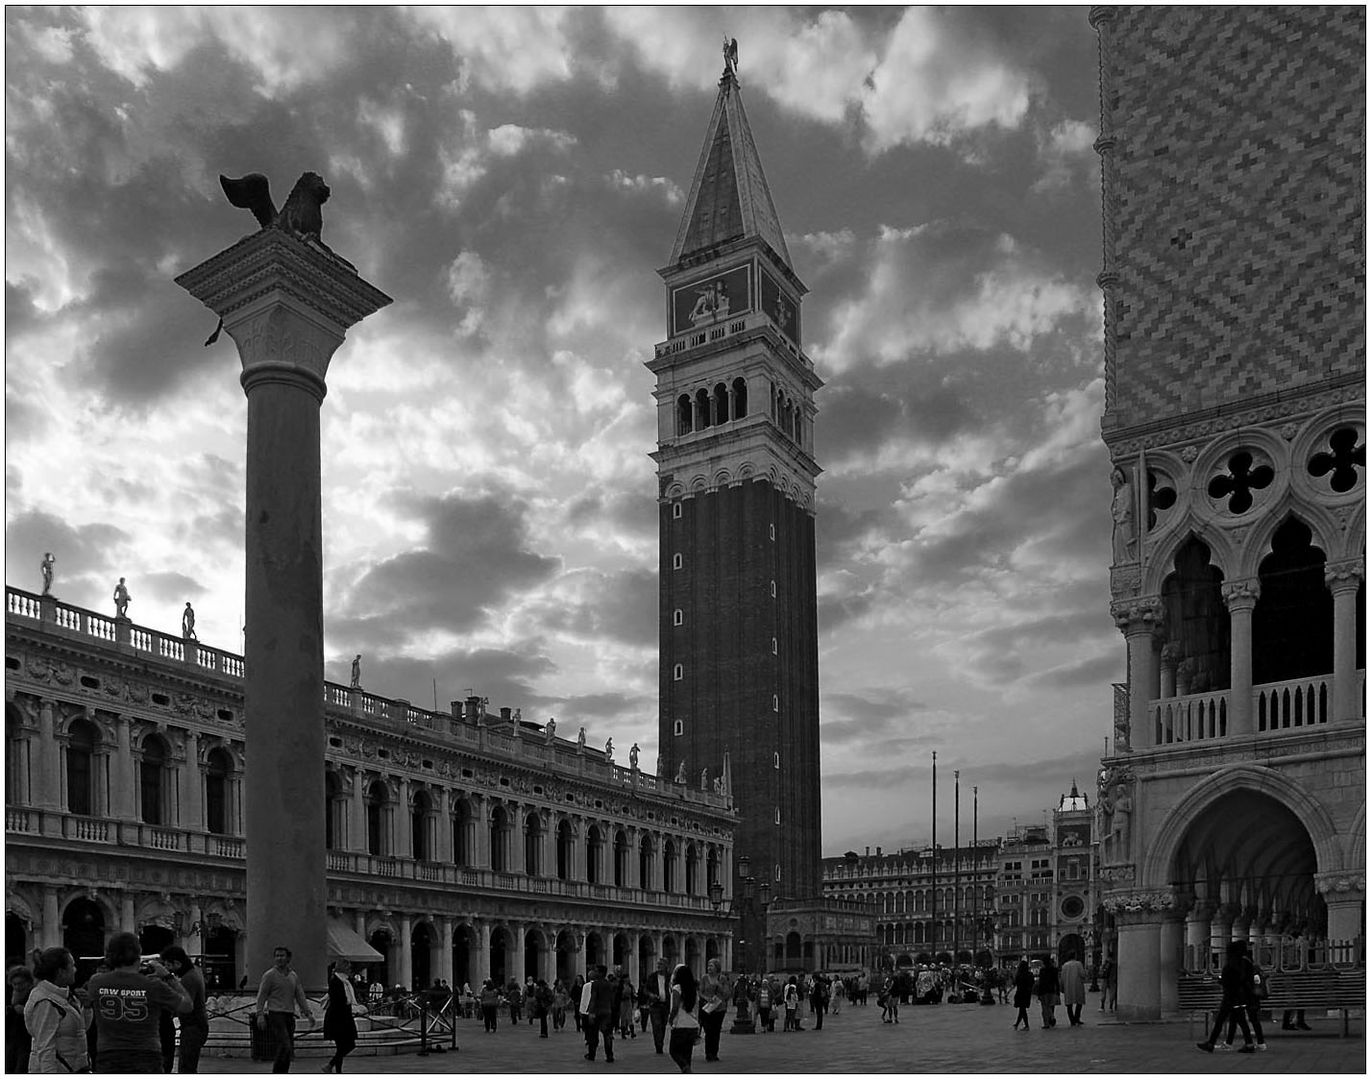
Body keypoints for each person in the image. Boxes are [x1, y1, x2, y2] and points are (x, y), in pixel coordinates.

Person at [88, 931, 191, 1072]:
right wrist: (168, 977)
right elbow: (187, 1005)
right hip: (146, 1055)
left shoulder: (96, 982)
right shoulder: (153, 985)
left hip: (109, 1054)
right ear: (138, 954)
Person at [23, 949, 87, 1074]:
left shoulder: (64, 996)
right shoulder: (45, 1002)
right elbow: (45, 1048)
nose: (75, 970)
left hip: (71, 1069)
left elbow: (78, 1031)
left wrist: (88, 1008)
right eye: (72, 965)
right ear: (61, 972)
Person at [254, 945, 312, 1073]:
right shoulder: (269, 975)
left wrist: (308, 1012)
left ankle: (283, 1072)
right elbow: (262, 995)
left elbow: (299, 994)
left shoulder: (293, 976)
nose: (279, 958)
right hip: (276, 1014)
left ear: (288, 958)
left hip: (289, 1015)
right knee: (285, 1045)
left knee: (287, 1046)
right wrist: (260, 1014)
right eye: (277, 956)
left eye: (282, 955)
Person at [1196, 940, 1256, 1053]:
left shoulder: (1231, 964)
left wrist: (1220, 980)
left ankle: (1211, 1043)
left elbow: (1227, 981)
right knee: (1241, 1021)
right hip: (1241, 996)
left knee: (1220, 1020)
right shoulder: (1246, 962)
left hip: (1230, 997)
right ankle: (1249, 1044)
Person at [161, 946, 208, 1072]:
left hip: (192, 1026)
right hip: (197, 1025)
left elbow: (185, 1004)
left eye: (168, 965)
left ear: (177, 963)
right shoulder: (195, 971)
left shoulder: (188, 978)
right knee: (188, 1065)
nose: (167, 969)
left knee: (186, 1067)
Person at [1222, 942, 1267, 1051]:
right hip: (1250, 995)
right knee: (1248, 1019)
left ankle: (1243, 1043)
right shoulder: (1250, 963)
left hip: (1245, 995)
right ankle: (1259, 1042)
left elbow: (1242, 979)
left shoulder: (1241, 963)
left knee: (1239, 1019)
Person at [321, 958, 359, 1073]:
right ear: (343, 967)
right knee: (346, 1045)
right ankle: (331, 1066)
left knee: (344, 1046)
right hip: (338, 1017)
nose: (349, 969)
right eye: (348, 967)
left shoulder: (346, 981)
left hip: (344, 1016)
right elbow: (338, 1000)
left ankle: (337, 1070)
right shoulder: (336, 981)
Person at [666, 963, 699, 1074]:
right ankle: (686, 1069)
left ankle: (685, 1068)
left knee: (673, 1051)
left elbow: (675, 1007)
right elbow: (696, 1008)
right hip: (692, 1025)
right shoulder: (693, 989)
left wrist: (670, 1018)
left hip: (680, 1025)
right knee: (687, 1053)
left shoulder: (677, 988)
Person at [697, 958, 728, 1061]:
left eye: (711, 966)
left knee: (716, 1031)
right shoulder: (704, 978)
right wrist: (706, 998)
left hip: (719, 1008)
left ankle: (714, 1053)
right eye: (708, 965)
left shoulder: (722, 978)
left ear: (717, 967)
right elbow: (700, 992)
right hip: (707, 1008)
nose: (709, 967)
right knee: (708, 1031)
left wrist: (719, 985)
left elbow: (727, 993)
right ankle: (708, 1053)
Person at [7, 964, 36, 1073]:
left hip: (26, 1041)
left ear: (28, 983)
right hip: (12, 1039)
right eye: (15, 984)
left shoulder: (33, 996)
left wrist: (24, 1011)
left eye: (21, 984)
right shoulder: (11, 995)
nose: (17, 987)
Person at [584, 964, 615, 1062]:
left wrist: (590, 1012)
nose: (594, 972)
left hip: (597, 1011)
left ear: (601, 973)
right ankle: (609, 1055)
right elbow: (612, 999)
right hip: (607, 1011)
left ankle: (592, 1055)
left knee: (593, 1034)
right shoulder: (609, 984)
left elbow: (593, 998)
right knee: (607, 1034)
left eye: (596, 971)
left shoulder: (595, 984)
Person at [643, 958, 672, 1053]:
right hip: (655, 1005)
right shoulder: (652, 977)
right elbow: (646, 990)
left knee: (663, 1025)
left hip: (666, 1005)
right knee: (656, 1025)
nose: (659, 966)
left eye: (661, 964)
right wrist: (651, 995)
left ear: (666, 966)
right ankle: (658, 1046)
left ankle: (661, 1042)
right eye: (658, 964)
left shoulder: (670, 977)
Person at [1060, 951, 1087, 1027]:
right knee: (1079, 1003)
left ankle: (1072, 1020)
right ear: (1075, 956)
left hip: (1068, 986)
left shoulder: (1065, 966)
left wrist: (1062, 987)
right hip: (1078, 986)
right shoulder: (1078, 964)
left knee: (1069, 1004)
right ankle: (1077, 1018)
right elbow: (1083, 974)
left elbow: (1062, 978)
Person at [1036, 956, 1060, 1029]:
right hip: (1052, 990)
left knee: (1044, 1008)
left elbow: (1041, 982)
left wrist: (1039, 993)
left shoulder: (1042, 970)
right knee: (1050, 1006)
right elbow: (1056, 981)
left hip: (1044, 990)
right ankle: (1051, 1017)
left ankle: (1047, 1023)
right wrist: (1058, 991)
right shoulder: (1054, 970)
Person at [1012, 959, 1035, 1030]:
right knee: (1022, 1009)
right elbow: (1032, 983)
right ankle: (1017, 1024)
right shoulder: (1030, 974)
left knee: (1022, 1009)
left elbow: (1014, 983)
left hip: (1020, 993)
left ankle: (1025, 1025)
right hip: (1027, 993)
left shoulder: (1019, 975)